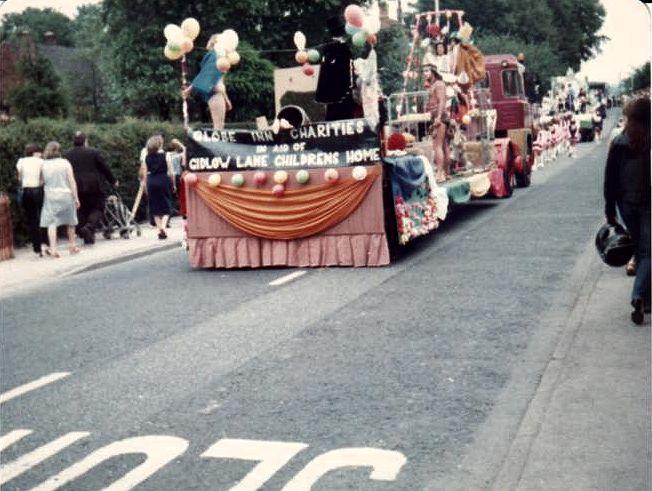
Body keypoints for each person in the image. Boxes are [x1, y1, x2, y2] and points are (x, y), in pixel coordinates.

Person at [604, 97, 651, 324]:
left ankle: (647, 299)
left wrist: (609, 207)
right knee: (647, 252)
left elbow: (610, 178)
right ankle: (639, 296)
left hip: (626, 204)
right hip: (648, 203)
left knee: (642, 250)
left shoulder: (619, 142)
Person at [64, 132, 118, 244]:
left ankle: (88, 237)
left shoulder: (67, 154)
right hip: (94, 185)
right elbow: (104, 168)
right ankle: (89, 227)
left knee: (82, 210)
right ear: (85, 141)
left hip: (76, 186)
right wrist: (113, 181)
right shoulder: (94, 152)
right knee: (98, 207)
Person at [40, 141, 80, 257]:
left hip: (51, 195)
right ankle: (72, 246)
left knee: (52, 223)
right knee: (70, 221)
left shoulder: (44, 164)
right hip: (66, 194)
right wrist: (76, 197)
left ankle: (53, 249)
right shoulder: (65, 163)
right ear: (59, 151)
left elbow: (41, 181)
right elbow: (72, 181)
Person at [182, 35, 231, 129]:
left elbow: (217, 80)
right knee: (219, 126)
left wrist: (226, 99)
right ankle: (216, 144)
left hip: (217, 93)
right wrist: (189, 89)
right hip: (216, 93)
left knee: (220, 125)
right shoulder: (214, 56)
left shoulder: (217, 58)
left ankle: (217, 143)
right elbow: (205, 75)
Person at [140, 136, 175, 239]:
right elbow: (171, 172)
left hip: (151, 181)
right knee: (167, 206)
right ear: (160, 145)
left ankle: (159, 228)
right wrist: (173, 184)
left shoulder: (146, 157)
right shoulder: (166, 156)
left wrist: (145, 186)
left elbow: (145, 174)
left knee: (154, 208)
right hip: (163, 179)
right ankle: (163, 227)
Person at [16, 143, 47, 256]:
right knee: (43, 217)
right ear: (35, 153)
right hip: (38, 190)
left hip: (26, 192)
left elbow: (19, 178)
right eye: (39, 152)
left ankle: (37, 247)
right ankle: (45, 243)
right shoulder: (41, 162)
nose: (41, 154)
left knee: (32, 219)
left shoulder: (21, 161)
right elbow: (43, 179)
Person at [425, 67, 449, 182]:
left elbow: (441, 101)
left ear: (433, 72)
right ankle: (446, 172)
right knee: (443, 145)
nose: (425, 74)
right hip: (438, 116)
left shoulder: (438, 84)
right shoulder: (435, 84)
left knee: (437, 145)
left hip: (439, 117)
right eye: (424, 71)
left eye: (427, 71)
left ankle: (440, 173)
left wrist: (438, 117)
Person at [166, 138, 186, 213]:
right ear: (175, 149)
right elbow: (185, 149)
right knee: (180, 194)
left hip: (168, 176)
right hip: (178, 176)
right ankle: (182, 210)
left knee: (169, 195)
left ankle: (169, 211)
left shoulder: (166, 156)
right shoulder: (178, 155)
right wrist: (179, 143)